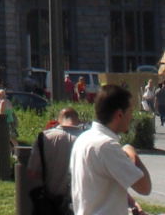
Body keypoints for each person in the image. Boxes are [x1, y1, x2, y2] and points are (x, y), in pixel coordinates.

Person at [70, 84, 151, 215]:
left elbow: (100, 188)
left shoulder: (83, 139)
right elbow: (145, 187)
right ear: (119, 114)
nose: (132, 117)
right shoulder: (107, 146)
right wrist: (132, 153)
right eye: (130, 112)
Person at [25, 108, 83, 215]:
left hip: (50, 205)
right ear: (78, 120)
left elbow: (32, 172)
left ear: (58, 120)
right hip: (80, 205)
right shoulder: (87, 139)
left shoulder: (44, 137)